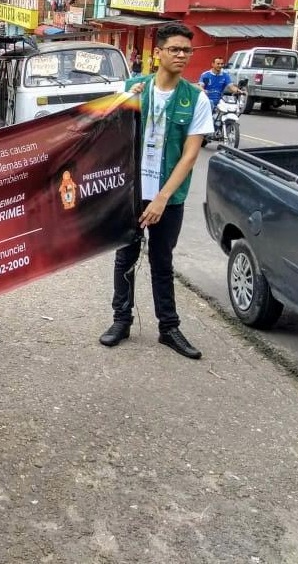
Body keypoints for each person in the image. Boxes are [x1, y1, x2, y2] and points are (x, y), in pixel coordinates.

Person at [99, 22, 213, 360]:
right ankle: (121, 321)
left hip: (169, 198)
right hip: (132, 194)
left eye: (186, 50)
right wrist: (121, 104)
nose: (181, 55)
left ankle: (169, 328)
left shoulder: (196, 99)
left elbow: (191, 155)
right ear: (158, 53)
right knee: (125, 257)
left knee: (162, 262)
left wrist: (162, 197)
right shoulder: (134, 88)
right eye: (175, 49)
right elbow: (106, 132)